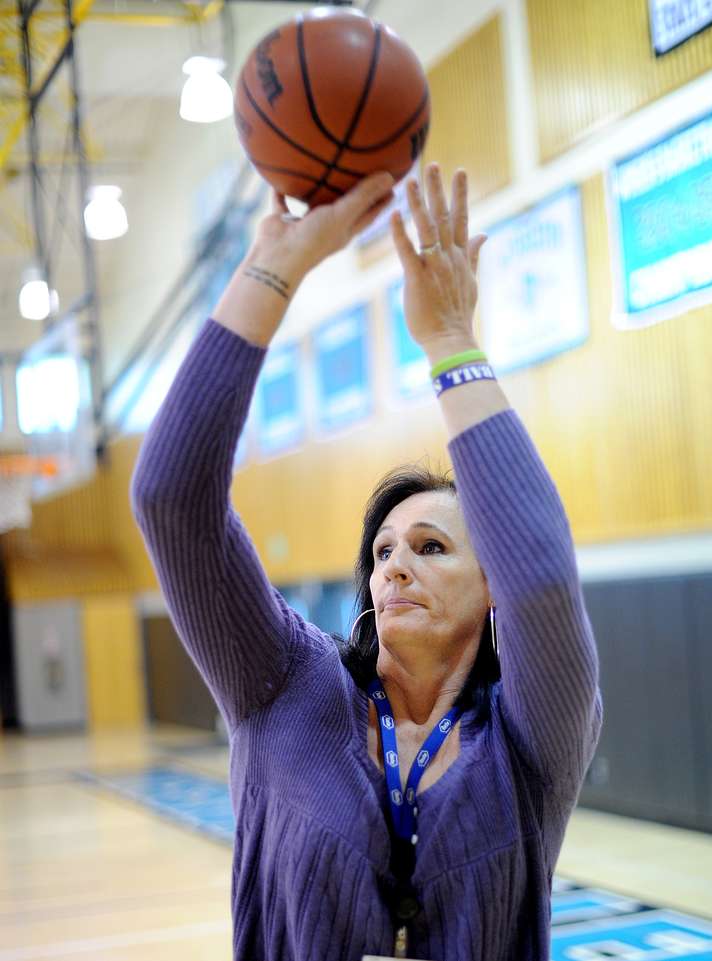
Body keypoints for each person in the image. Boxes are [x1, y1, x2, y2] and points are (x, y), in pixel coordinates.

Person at [131, 162, 603, 961]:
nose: (395, 565)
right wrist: (271, 272)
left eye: (430, 547)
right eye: (383, 550)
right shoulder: (281, 683)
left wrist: (452, 342)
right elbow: (172, 496)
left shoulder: (532, 737)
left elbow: (545, 575)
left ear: (492, 588)